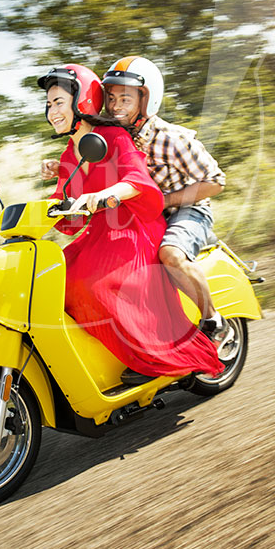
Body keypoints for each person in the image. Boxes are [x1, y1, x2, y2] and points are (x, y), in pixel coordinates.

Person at [38, 63, 222, 385]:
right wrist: (51, 203)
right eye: (111, 98)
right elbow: (69, 205)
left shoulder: (165, 137)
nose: (116, 106)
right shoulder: (80, 145)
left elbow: (141, 179)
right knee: (51, 281)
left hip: (173, 212)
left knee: (164, 259)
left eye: (126, 99)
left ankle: (179, 338)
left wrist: (113, 193)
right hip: (120, 223)